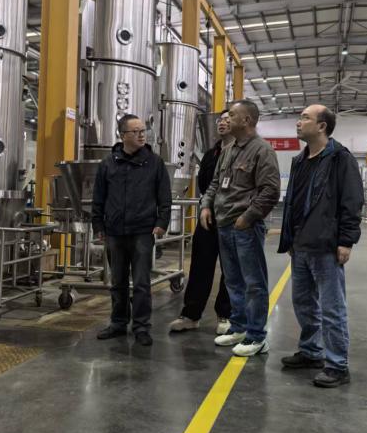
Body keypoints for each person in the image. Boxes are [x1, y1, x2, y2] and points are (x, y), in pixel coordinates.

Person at [278, 105, 364, 387]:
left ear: (322, 126)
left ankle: (338, 365)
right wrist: (289, 236)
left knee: (331, 308)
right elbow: (293, 201)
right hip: (300, 245)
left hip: (326, 245)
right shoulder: (300, 160)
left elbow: (352, 200)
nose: (298, 122)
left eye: (305, 118)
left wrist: (346, 240)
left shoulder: (340, 158)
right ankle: (311, 352)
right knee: (303, 304)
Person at [200, 100, 281, 357]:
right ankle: (239, 327)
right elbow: (215, 183)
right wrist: (205, 206)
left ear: (246, 120)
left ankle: (257, 337)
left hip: (245, 227)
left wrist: (248, 217)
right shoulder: (228, 150)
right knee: (233, 281)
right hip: (224, 225)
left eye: (232, 115)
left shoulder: (262, 150)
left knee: (253, 283)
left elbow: (270, 191)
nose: (226, 119)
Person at [92, 114, 172, 346]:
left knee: (141, 283)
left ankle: (141, 326)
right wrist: (98, 225)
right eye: (135, 131)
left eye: (143, 130)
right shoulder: (108, 164)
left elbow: (164, 197)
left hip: (142, 231)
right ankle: (118, 323)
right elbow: (99, 198)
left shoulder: (154, 163)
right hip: (114, 232)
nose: (141, 135)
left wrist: (162, 222)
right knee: (117, 282)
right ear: (122, 135)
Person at [169, 111, 233, 335]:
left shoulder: (244, 152)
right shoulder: (210, 154)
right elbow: (206, 185)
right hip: (208, 217)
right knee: (199, 266)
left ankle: (225, 314)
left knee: (230, 269)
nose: (222, 123)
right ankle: (191, 314)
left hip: (232, 219)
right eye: (220, 120)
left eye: (228, 119)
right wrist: (206, 207)